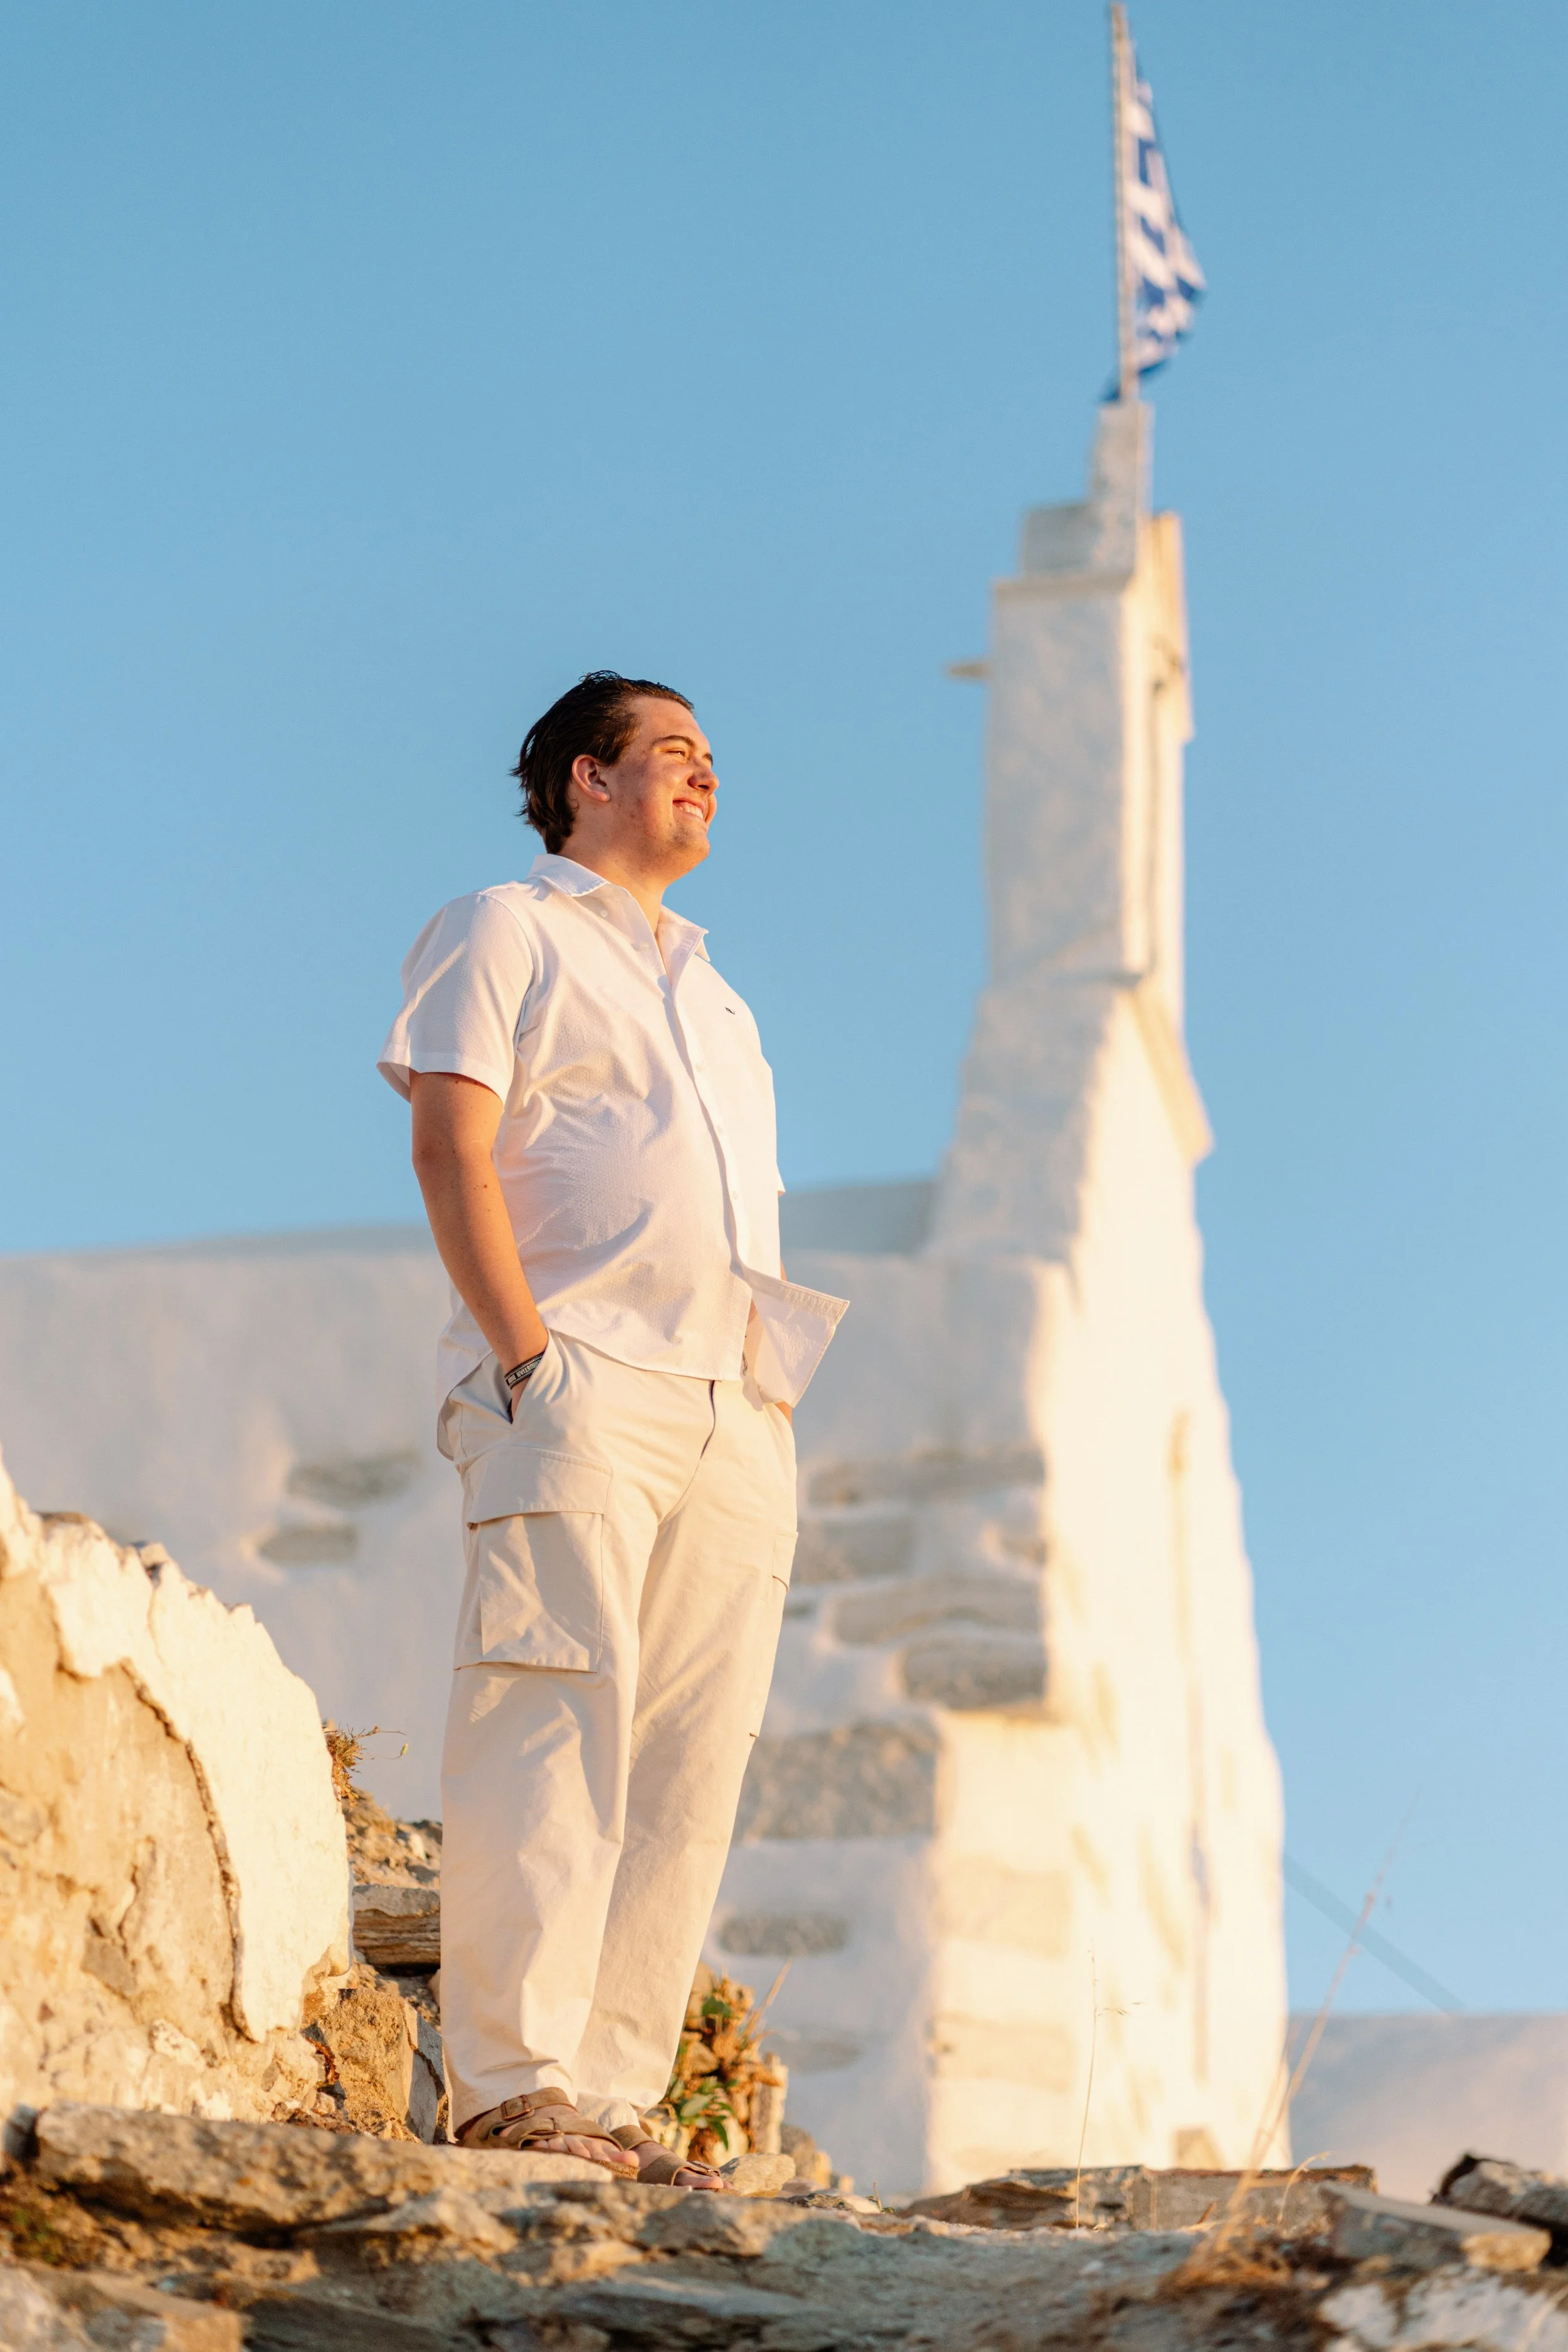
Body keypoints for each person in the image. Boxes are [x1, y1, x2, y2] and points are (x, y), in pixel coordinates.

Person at [378, 671, 845, 2188]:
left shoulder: (718, 993)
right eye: (670, 755)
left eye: (713, 760)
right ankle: (510, 2084)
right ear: (585, 777)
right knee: (549, 1711)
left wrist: (758, 1408)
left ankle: (615, 2100)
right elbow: (453, 1141)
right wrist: (526, 1359)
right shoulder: (502, 928)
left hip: (732, 1403)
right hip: (576, 1376)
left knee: (686, 1763)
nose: (703, 778)